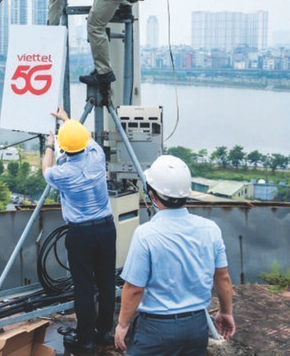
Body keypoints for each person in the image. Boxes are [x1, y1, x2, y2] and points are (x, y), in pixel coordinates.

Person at [114, 155, 236, 355]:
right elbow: (222, 277)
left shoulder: (146, 234)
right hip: (197, 326)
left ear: (153, 195)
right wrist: (226, 312)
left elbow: (134, 288)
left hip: (155, 330)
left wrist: (123, 324)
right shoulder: (210, 229)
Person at [42, 107, 117, 354]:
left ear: (65, 147)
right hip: (106, 228)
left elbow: (45, 170)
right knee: (106, 282)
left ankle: (84, 339)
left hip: (81, 234)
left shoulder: (62, 173)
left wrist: (50, 145)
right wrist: (67, 120)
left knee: (84, 286)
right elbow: (84, 138)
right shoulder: (96, 155)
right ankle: (106, 332)